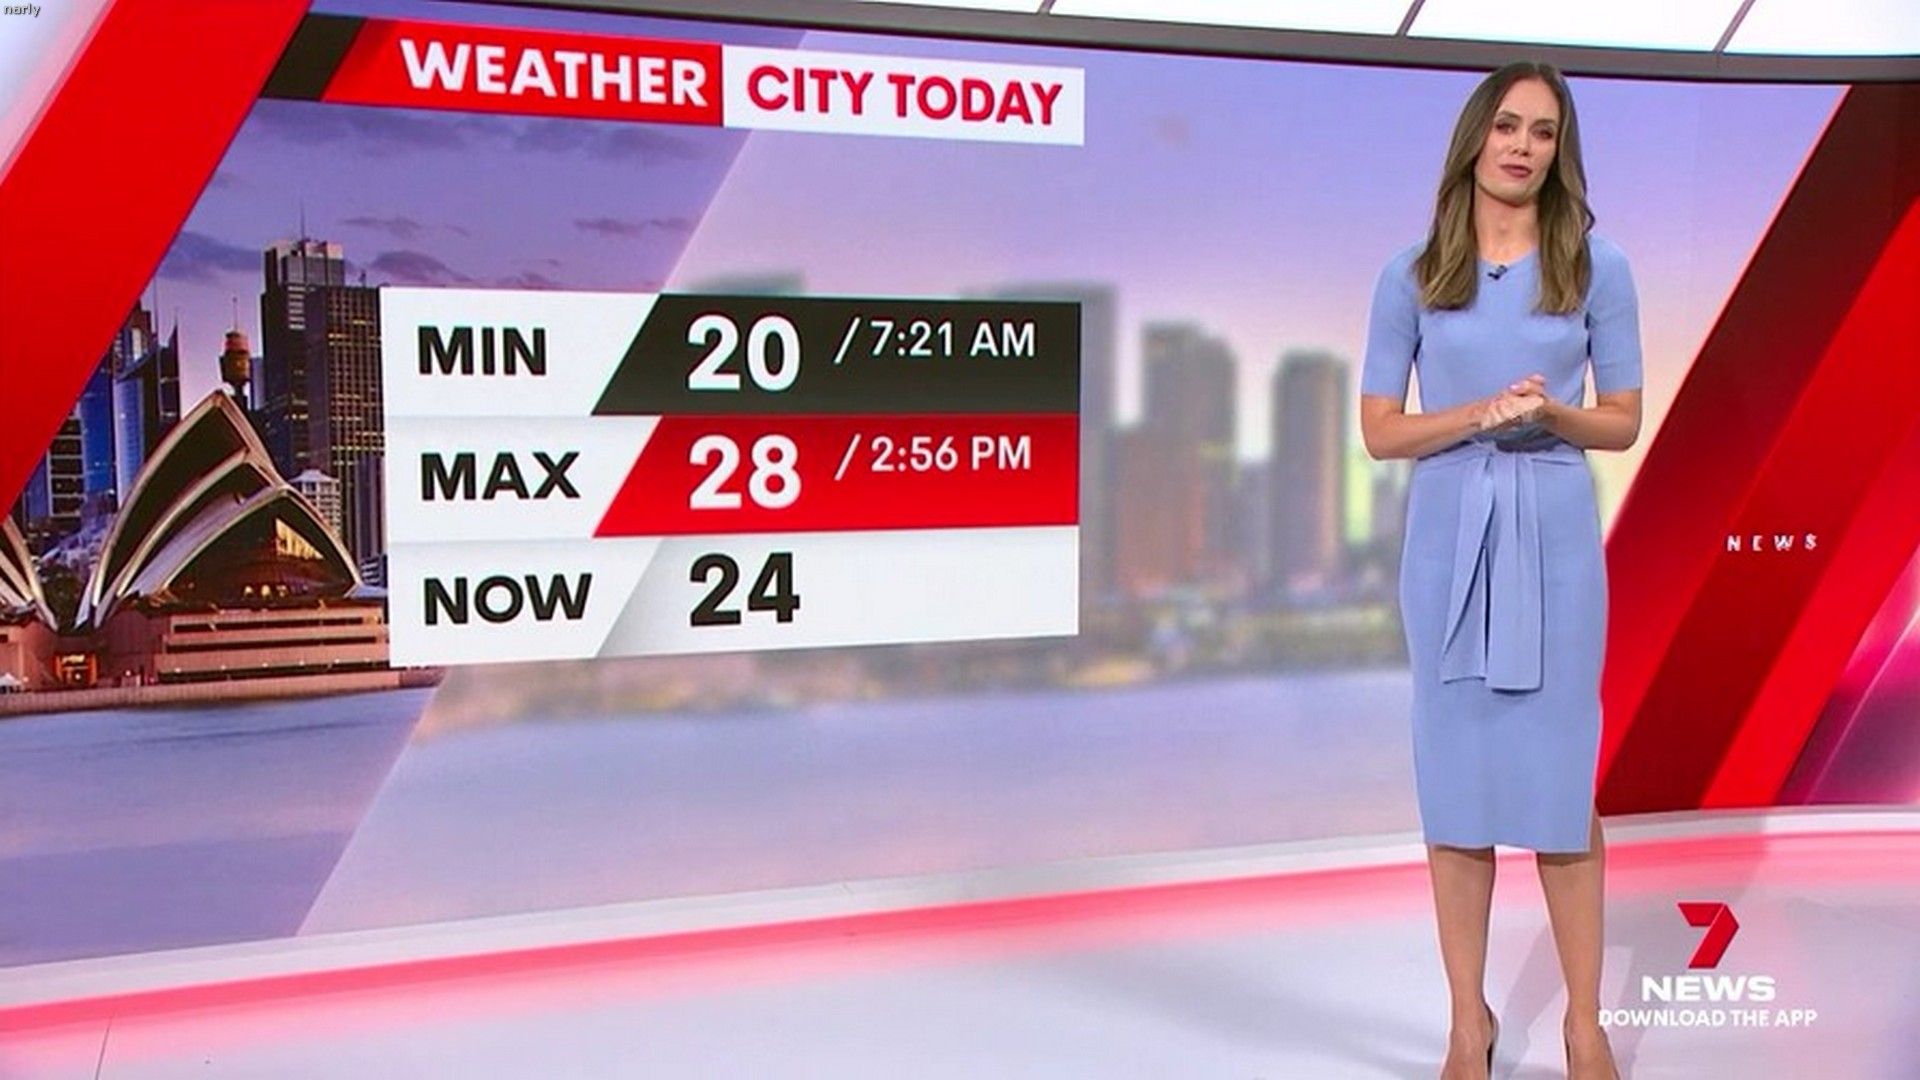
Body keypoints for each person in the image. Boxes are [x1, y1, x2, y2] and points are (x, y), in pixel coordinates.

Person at [1358, 61, 1641, 1080]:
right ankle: (1465, 1023)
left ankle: (1583, 1025)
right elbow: (1381, 431)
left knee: (1560, 785)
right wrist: (1476, 415)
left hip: (1555, 528)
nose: (1524, 146)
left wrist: (1552, 414)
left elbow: (1622, 419)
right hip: (1448, 535)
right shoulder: (1410, 275)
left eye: (1544, 132)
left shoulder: (1598, 267)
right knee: (1458, 787)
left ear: (1561, 153)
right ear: (1476, 137)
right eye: (1510, 125)